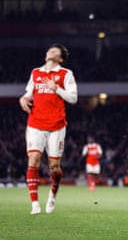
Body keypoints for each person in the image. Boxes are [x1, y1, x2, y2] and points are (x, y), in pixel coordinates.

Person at [19, 44, 78, 214]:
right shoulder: (36, 72)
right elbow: (30, 93)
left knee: (54, 167)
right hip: (36, 123)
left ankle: (53, 194)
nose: (49, 52)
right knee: (34, 158)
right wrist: (23, 99)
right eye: (49, 50)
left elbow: (73, 98)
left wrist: (56, 88)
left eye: (54, 51)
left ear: (60, 58)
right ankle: (35, 204)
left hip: (56, 125)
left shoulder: (66, 74)